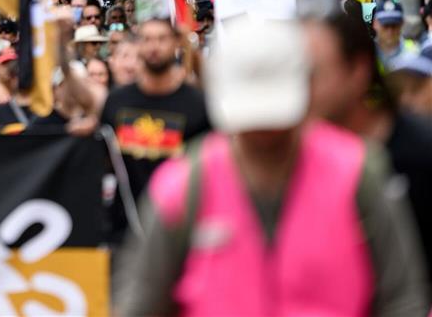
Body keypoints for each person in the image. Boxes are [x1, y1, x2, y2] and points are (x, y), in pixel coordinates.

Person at [114, 17, 429, 316]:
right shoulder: (184, 185)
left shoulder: (357, 171)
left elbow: (401, 295)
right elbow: (141, 301)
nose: (265, 134)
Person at [308, 12, 432, 286]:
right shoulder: (302, 161)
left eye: (314, 74)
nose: (303, 89)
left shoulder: (422, 152)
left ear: (358, 71)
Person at [100, 17, 209, 245]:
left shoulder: (196, 104)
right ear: (138, 45)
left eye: (161, 39)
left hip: (181, 232)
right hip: (126, 231)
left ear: (174, 44)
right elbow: (102, 157)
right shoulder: (117, 101)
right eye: (147, 39)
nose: (154, 46)